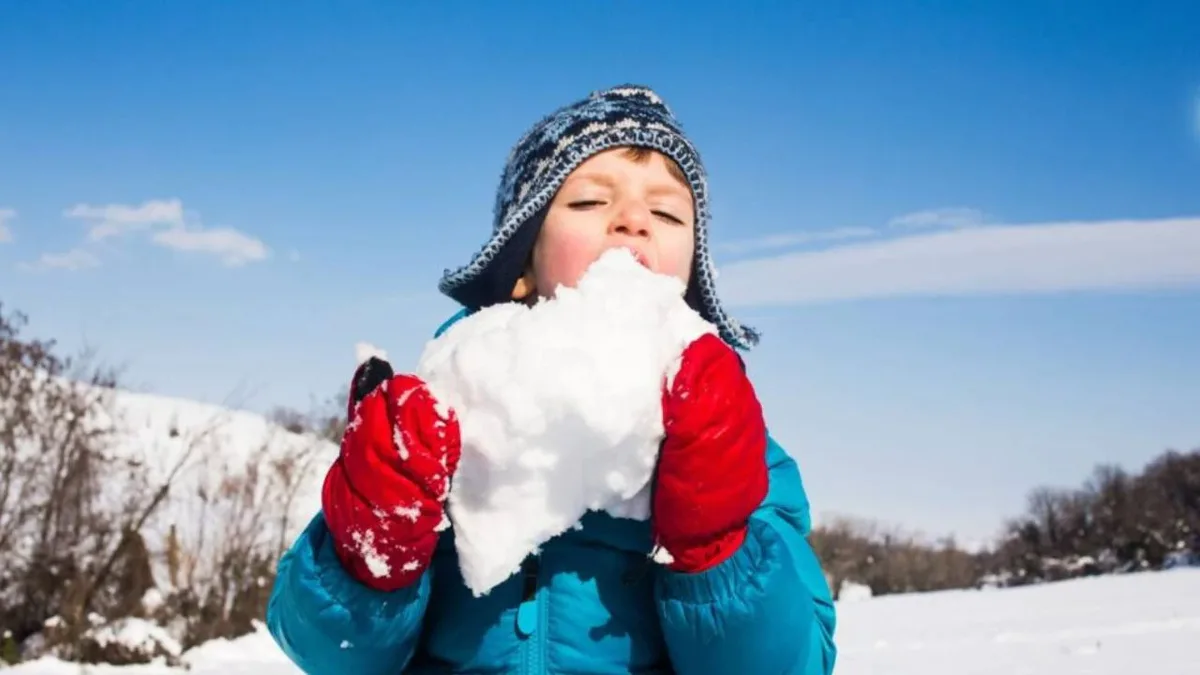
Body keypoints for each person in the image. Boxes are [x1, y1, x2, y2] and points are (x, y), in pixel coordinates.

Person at [265, 84, 838, 675]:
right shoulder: (454, 407)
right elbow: (327, 654)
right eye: (590, 203)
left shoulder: (737, 441)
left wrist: (719, 550)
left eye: (666, 213)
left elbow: (794, 664)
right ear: (520, 263)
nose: (635, 221)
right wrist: (370, 552)